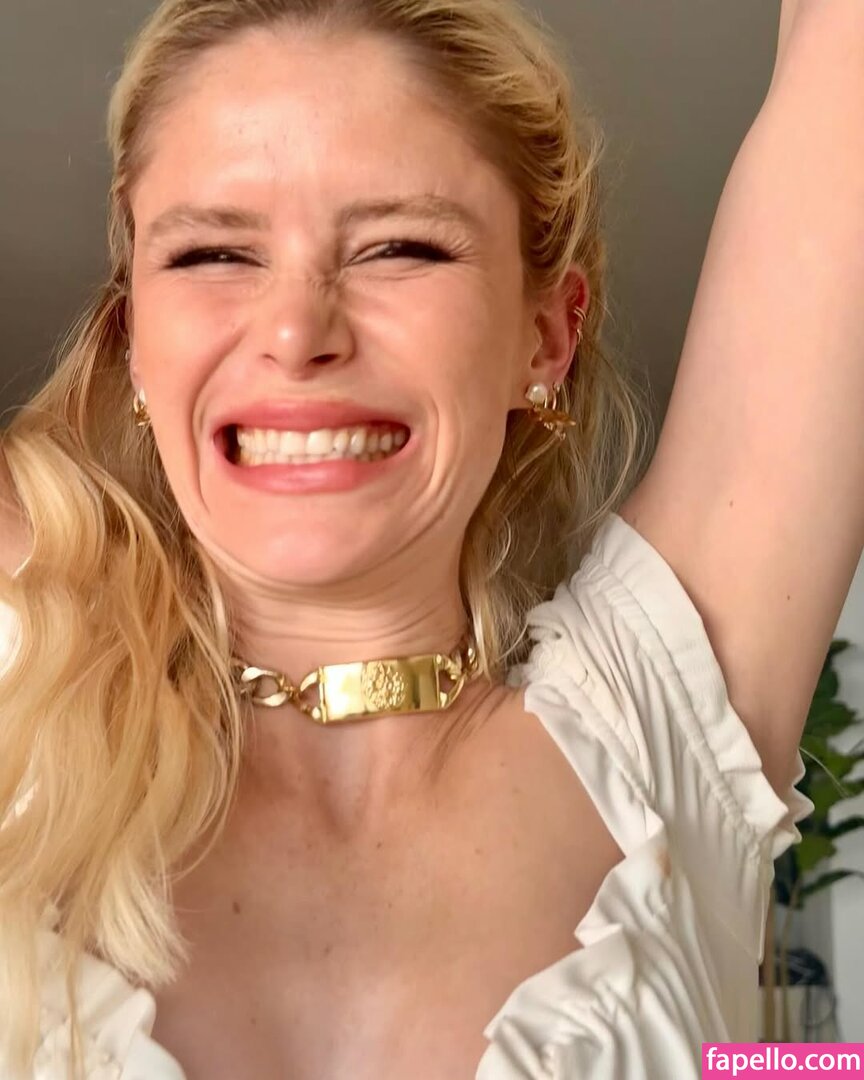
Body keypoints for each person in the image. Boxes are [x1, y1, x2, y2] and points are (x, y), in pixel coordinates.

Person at [2, 0, 862, 1075]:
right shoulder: (21, 692)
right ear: (135, 338)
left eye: (400, 248)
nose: (295, 332)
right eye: (214, 252)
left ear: (545, 336)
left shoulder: (666, 724)